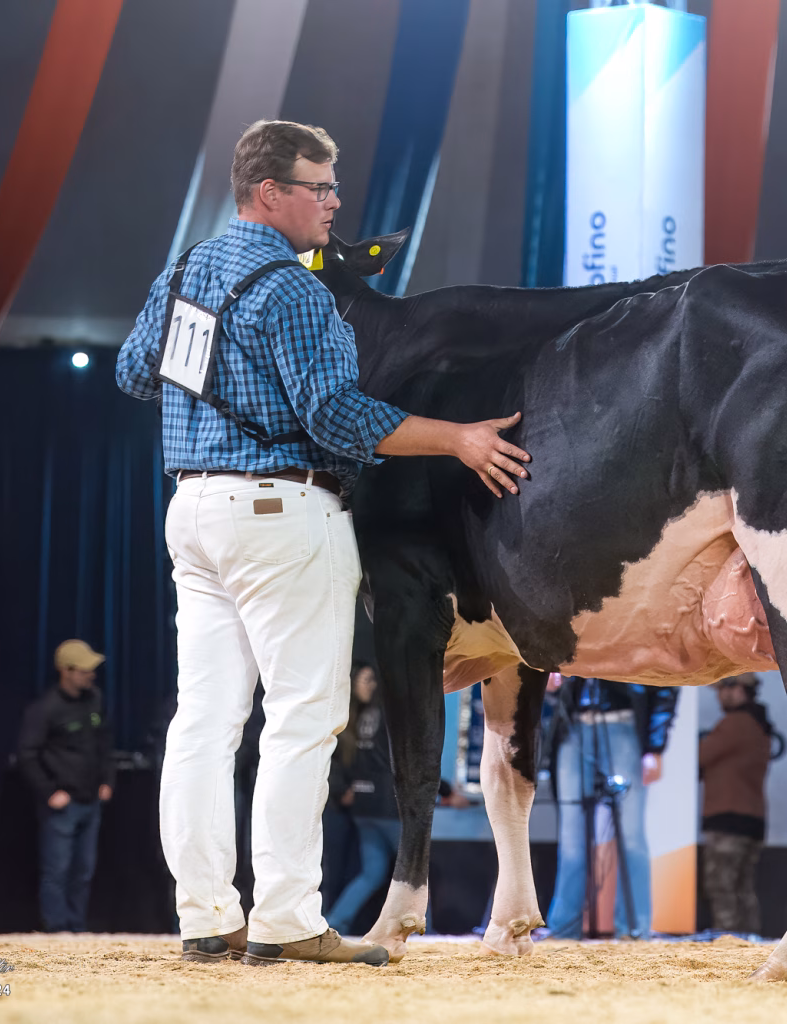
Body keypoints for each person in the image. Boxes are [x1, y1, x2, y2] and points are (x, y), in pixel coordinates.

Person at [115, 119, 532, 966]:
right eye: (321, 187)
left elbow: (132, 373)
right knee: (302, 716)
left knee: (204, 720)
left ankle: (206, 915)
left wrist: (222, 383)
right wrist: (456, 438)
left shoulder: (186, 271)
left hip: (193, 509)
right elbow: (337, 416)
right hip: (281, 510)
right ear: (270, 193)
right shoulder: (293, 289)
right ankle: (286, 919)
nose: (335, 203)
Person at [545, 677, 678, 939]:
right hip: (572, 727)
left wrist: (655, 746)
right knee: (571, 837)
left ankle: (633, 928)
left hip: (623, 724)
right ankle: (563, 927)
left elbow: (665, 683)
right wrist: (549, 683)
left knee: (631, 835)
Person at [17, 639, 114, 933]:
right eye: (84, 670)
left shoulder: (94, 700)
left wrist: (108, 780)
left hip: (91, 800)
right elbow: (27, 755)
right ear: (66, 671)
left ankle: (77, 926)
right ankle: (57, 929)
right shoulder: (46, 708)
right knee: (57, 870)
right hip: (63, 804)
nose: (90, 675)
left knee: (83, 870)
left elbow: (105, 743)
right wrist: (49, 792)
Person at [324, 663, 399, 934]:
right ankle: (422, 929)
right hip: (388, 805)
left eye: (373, 680)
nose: (371, 685)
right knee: (415, 871)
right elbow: (402, 761)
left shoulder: (351, 716)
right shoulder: (388, 714)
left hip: (362, 807)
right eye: (366, 679)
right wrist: (445, 791)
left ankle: (335, 922)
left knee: (372, 873)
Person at [698, 673, 771, 935]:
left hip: (728, 818)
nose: (721, 694)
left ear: (743, 689)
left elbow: (699, 757)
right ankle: (749, 942)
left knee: (722, 887)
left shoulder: (736, 723)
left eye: (727, 686)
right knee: (742, 889)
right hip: (751, 819)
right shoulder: (758, 724)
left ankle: (729, 942)